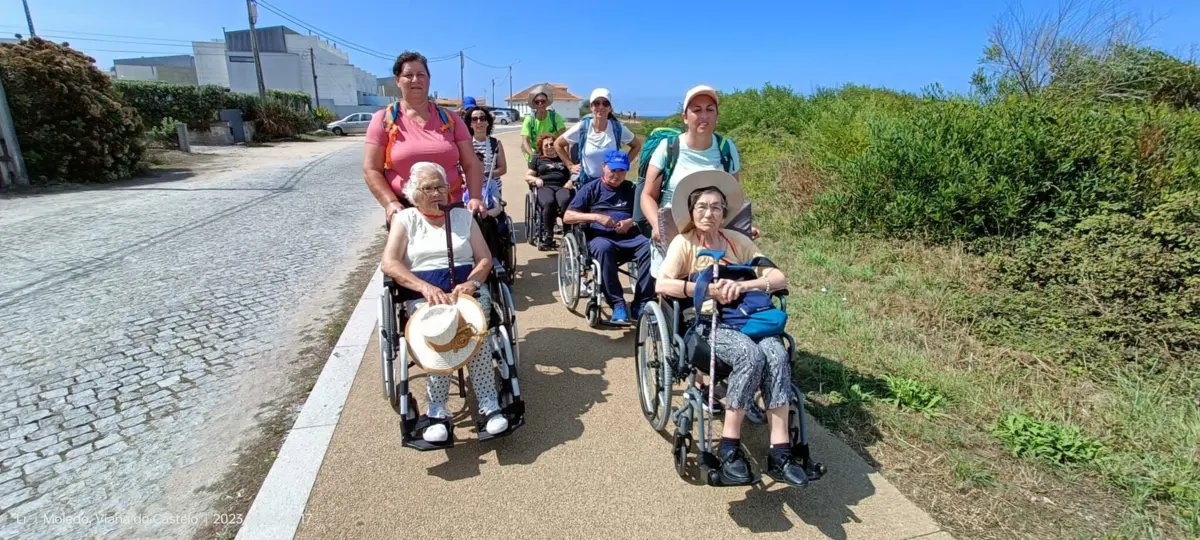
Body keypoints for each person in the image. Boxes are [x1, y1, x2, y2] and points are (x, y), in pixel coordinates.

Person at [655, 171, 808, 487]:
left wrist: (744, 286)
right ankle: (729, 448)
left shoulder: (738, 242)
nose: (708, 213)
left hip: (748, 319)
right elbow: (662, 283)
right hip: (710, 323)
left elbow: (779, 278)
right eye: (701, 207)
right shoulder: (684, 244)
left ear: (724, 212)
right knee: (749, 356)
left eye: (715, 207)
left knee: (776, 354)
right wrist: (704, 290)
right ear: (692, 212)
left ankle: (780, 452)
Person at [381, 162, 509, 443]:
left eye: (442, 186)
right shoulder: (405, 220)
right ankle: (436, 411)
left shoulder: (463, 217)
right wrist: (424, 287)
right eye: (429, 188)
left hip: (467, 292)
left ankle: (489, 405)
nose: (438, 193)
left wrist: (473, 283)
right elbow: (389, 264)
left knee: (473, 330)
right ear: (415, 192)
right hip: (424, 296)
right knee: (440, 333)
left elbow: (485, 258)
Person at [363, 51, 486, 223]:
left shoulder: (451, 119)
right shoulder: (384, 120)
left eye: (421, 74)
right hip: (405, 210)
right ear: (397, 80)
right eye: (408, 75)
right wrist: (390, 202)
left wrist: (475, 197)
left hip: (451, 207)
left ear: (428, 79)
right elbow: (371, 169)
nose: (415, 80)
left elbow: (471, 163)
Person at [563, 150, 653, 325]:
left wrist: (631, 222)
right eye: (613, 170)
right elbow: (568, 216)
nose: (617, 175)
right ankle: (617, 304)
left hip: (630, 237)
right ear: (604, 167)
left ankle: (640, 303)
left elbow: (642, 215)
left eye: (622, 170)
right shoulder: (591, 188)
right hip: (601, 237)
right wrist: (596, 217)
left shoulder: (632, 189)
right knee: (604, 249)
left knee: (651, 247)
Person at [554, 88, 643, 185]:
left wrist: (623, 165)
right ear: (591, 107)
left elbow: (637, 145)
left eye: (605, 103)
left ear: (610, 108)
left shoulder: (617, 128)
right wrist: (570, 165)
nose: (601, 107)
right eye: (596, 103)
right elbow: (558, 144)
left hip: (610, 183)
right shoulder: (582, 127)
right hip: (587, 182)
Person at [527, 133, 574, 250]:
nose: (549, 147)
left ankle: (567, 232)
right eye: (546, 145)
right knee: (548, 202)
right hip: (545, 186)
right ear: (541, 147)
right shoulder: (537, 159)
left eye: (552, 144)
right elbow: (527, 176)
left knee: (565, 201)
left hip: (562, 186)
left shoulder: (563, 157)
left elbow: (574, 172)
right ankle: (548, 236)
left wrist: (571, 181)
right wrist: (535, 179)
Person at [520, 84, 566, 164]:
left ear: (547, 102)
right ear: (534, 104)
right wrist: (533, 156)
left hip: (553, 153)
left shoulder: (555, 117)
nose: (540, 104)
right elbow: (525, 141)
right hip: (536, 154)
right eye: (537, 102)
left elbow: (564, 138)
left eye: (543, 101)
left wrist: (566, 159)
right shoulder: (529, 119)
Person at [465, 106, 508, 181]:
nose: (479, 122)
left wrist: (487, 176)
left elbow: (503, 169)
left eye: (482, 118)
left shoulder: (496, 143)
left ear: (487, 122)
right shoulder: (465, 145)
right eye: (474, 119)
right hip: (472, 189)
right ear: (470, 124)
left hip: (493, 190)